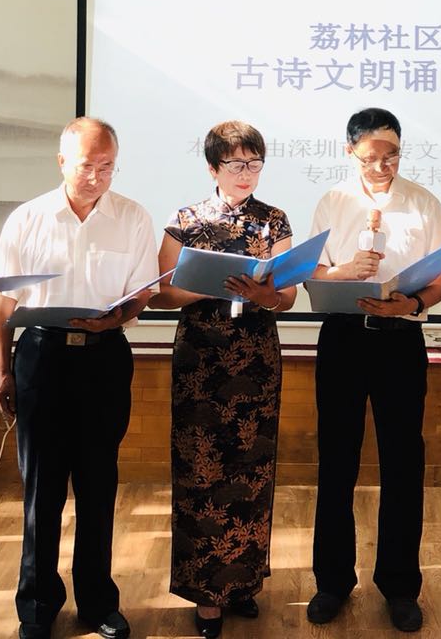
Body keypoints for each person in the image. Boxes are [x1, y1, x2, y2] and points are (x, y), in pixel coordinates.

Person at [0, 117, 157, 639]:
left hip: (105, 358)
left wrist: (117, 317)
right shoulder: (28, 218)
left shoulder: (132, 216)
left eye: (107, 167)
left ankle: (97, 602)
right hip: (41, 358)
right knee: (42, 490)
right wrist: (1, 370)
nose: (97, 177)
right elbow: (3, 302)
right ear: (62, 162)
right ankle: (37, 606)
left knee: (98, 484)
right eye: (87, 166)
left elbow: (142, 292)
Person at [305, 108, 441, 633]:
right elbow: (311, 272)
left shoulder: (423, 202)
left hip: (399, 339)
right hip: (343, 338)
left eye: (392, 155)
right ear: (351, 152)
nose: (383, 165)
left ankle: (400, 586)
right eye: (371, 157)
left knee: (403, 463)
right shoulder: (333, 200)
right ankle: (332, 582)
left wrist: (414, 304)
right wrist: (343, 272)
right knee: (336, 460)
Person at [149, 121, 294, 639]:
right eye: (236, 164)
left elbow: (287, 297)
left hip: (255, 356)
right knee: (200, 472)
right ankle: (206, 596)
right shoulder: (185, 220)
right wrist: (209, 287)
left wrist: (261, 295)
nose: (246, 173)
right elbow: (161, 295)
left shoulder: (273, 219)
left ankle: (243, 582)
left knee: (252, 471)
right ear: (213, 168)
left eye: (254, 164)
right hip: (201, 361)